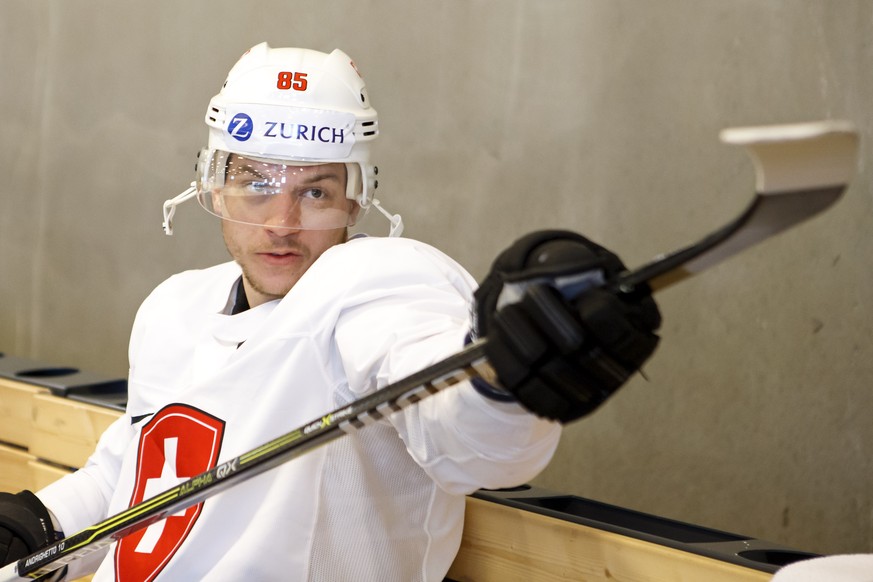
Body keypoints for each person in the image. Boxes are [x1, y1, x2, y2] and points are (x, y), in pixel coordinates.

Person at [0, 42, 660, 580]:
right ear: (212, 184)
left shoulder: (376, 285)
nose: (281, 223)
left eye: (315, 191)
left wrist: (503, 385)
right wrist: (35, 526)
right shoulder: (176, 306)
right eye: (255, 184)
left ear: (356, 199)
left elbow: (470, 445)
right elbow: (135, 473)